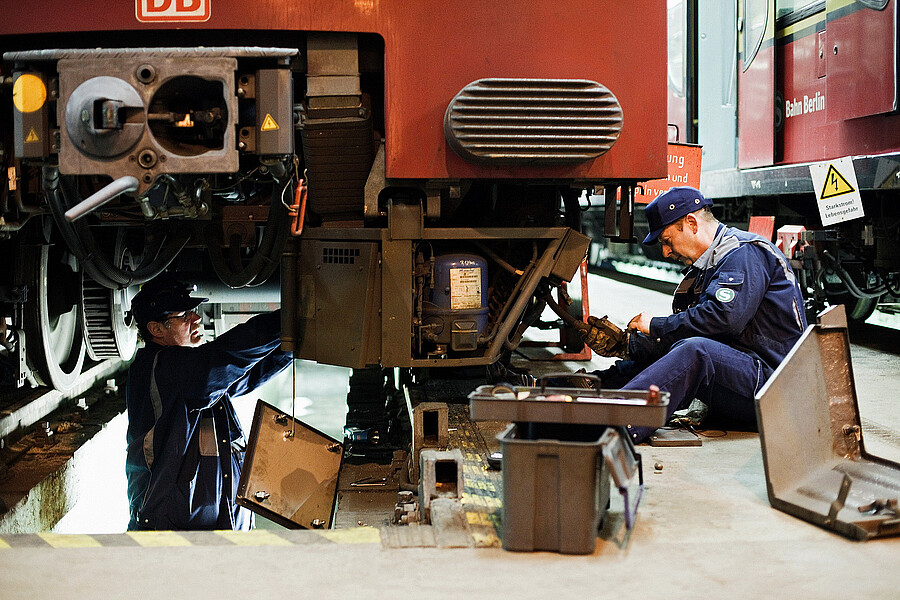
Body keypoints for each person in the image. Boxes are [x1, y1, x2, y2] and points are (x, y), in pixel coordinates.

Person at [580, 186, 807, 443]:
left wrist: (655, 325)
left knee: (696, 352)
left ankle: (613, 426)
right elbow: (690, 335)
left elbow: (723, 320)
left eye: (667, 240)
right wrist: (633, 345)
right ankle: (591, 390)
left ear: (691, 223)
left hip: (773, 387)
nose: (665, 252)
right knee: (679, 350)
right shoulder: (707, 268)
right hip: (746, 378)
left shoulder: (744, 253)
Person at [124, 274, 292, 530]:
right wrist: (288, 321)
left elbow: (244, 377)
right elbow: (226, 357)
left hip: (205, 533)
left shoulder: (185, 377)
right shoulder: (163, 368)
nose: (196, 318)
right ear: (156, 329)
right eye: (184, 315)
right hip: (171, 537)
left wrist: (290, 345)